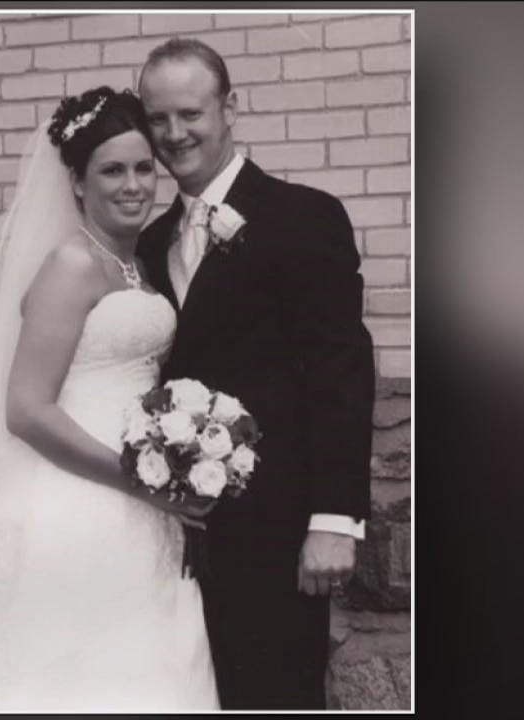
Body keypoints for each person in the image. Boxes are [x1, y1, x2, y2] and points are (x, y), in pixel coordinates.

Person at [0, 86, 220, 712]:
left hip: (141, 509)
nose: (133, 185)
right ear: (76, 181)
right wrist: (140, 481)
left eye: (143, 167)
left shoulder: (134, 267)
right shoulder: (72, 264)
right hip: (77, 506)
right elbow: (26, 409)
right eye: (112, 171)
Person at [135, 38, 378, 710]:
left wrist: (334, 519)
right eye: (158, 119)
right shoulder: (150, 242)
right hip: (177, 539)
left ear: (230, 108)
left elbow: (340, 368)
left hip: (280, 532)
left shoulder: (305, 216)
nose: (174, 133)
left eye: (190, 113)